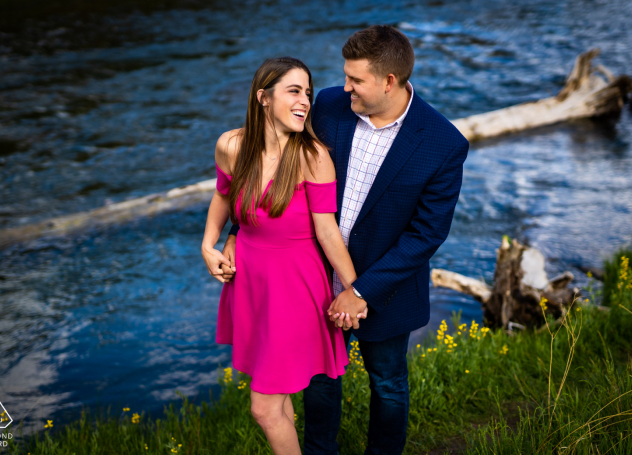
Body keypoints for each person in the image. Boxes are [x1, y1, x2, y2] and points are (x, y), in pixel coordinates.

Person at [220, 26, 469, 455]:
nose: (344, 86)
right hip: (310, 275)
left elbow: (426, 235)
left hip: (385, 286)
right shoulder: (332, 105)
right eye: (345, 76)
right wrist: (237, 232)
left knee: (388, 381)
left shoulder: (443, 144)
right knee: (319, 381)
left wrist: (360, 291)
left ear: (389, 82)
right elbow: (273, 169)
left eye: (356, 79)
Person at [201, 56, 367, 455]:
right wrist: (209, 243)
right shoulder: (231, 145)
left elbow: (327, 232)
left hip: (295, 286)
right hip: (252, 282)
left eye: (307, 93)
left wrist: (355, 289)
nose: (305, 101)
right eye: (294, 91)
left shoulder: (312, 155)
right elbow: (223, 194)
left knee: (263, 408)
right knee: (278, 398)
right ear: (263, 97)